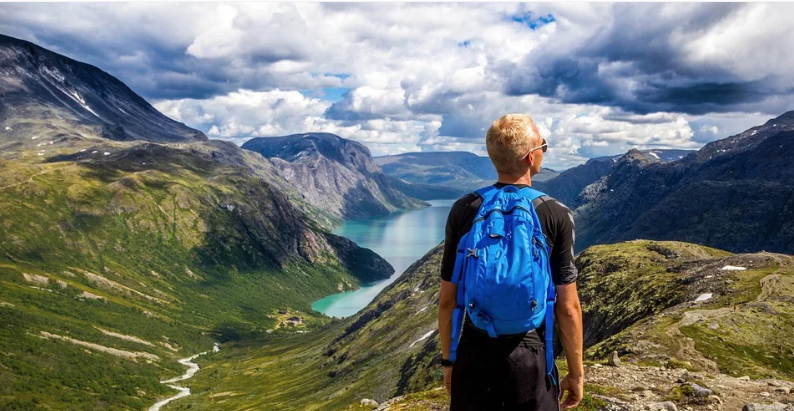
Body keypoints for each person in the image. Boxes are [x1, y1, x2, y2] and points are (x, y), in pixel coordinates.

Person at [438, 114, 584, 410]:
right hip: (530, 353)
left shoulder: (465, 208)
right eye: (544, 145)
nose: (544, 150)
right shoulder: (554, 212)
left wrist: (449, 361)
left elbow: (448, 301)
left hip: (474, 348)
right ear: (532, 157)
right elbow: (568, 307)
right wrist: (576, 374)